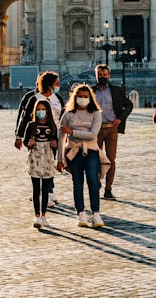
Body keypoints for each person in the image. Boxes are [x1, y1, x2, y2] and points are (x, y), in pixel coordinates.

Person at [57, 83, 104, 228]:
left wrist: (72, 132)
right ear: (74, 98)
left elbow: (92, 135)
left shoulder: (96, 114)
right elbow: (61, 137)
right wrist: (59, 159)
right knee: (77, 183)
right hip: (73, 152)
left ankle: (96, 214)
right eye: (80, 97)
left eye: (85, 97)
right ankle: (81, 214)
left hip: (91, 151)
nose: (83, 99)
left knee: (93, 181)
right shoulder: (68, 115)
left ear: (90, 98)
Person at [14, 71, 62, 207]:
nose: (58, 85)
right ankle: (41, 193)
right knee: (38, 162)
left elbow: (63, 116)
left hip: (54, 135)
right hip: (37, 137)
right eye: (56, 83)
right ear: (49, 84)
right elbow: (24, 119)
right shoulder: (33, 98)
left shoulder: (57, 98)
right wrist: (19, 136)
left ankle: (48, 191)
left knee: (49, 162)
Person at [92, 64, 133, 200]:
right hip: (95, 130)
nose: (102, 77)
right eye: (99, 75)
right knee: (94, 159)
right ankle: (96, 182)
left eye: (104, 74)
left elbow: (129, 105)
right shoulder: (90, 91)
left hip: (111, 128)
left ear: (109, 75)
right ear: (96, 75)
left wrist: (120, 119)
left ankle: (108, 188)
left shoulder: (117, 90)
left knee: (111, 159)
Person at [23, 98, 58, 228]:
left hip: (47, 158)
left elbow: (56, 143)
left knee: (45, 189)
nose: (41, 112)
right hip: (35, 159)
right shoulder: (31, 125)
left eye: (43, 109)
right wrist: (29, 144)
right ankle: (37, 216)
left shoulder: (52, 126)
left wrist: (55, 146)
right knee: (36, 188)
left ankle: (44, 215)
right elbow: (27, 142)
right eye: (38, 109)